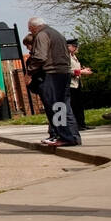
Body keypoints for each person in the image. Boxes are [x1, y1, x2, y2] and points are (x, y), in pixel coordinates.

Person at [25, 17, 80, 147]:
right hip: (63, 72)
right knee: (64, 106)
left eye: (29, 28)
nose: (29, 31)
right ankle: (73, 136)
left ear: (33, 27)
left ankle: (63, 136)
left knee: (55, 106)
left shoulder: (42, 35)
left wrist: (29, 72)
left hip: (51, 73)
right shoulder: (56, 33)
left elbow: (40, 57)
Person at [67, 38, 93, 131]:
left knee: (79, 105)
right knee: (74, 105)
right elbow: (68, 71)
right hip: (71, 84)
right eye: (74, 46)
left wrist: (83, 70)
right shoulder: (66, 57)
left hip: (77, 83)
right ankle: (77, 124)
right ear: (68, 47)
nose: (76, 48)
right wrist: (82, 71)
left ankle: (82, 123)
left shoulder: (74, 57)